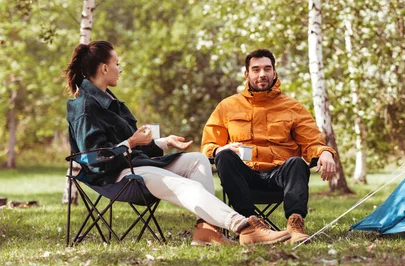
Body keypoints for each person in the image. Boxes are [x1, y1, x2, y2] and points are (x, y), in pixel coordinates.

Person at [64, 41, 290, 246]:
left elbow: (133, 145)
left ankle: (207, 230)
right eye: (117, 64)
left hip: (133, 166)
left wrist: (163, 142)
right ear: (104, 68)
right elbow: (94, 159)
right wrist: (131, 142)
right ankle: (245, 228)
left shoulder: (110, 101)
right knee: (187, 185)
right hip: (112, 177)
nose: (120, 69)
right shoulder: (85, 108)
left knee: (197, 160)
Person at [200, 49, 338, 243]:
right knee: (223, 155)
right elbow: (209, 143)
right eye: (255, 69)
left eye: (267, 68)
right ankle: (250, 225)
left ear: (274, 72)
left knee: (297, 163)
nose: (262, 74)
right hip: (243, 178)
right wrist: (218, 149)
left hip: (279, 177)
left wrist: (324, 152)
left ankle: (295, 224)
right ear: (247, 74)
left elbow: (311, 140)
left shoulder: (293, 107)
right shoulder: (227, 106)